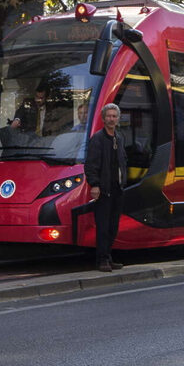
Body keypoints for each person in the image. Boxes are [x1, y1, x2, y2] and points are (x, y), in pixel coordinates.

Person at [84, 102, 127, 272]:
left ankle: (108, 257)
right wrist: (94, 185)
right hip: (103, 190)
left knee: (113, 226)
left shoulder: (120, 137)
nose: (111, 119)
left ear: (118, 119)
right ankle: (101, 260)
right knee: (102, 226)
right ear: (103, 118)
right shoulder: (97, 139)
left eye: (114, 116)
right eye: (108, 116)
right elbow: (91, 165)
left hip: (118, 189)